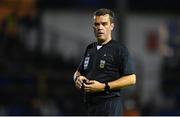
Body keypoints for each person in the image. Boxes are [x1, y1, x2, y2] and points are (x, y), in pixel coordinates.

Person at [73, 8, 136, 116]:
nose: (100, 28)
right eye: (97, 24)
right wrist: (77, 79)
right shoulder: (90, 48)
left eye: (104, 24)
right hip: (90, 106)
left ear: (111, 26)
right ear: (93, 27)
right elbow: (78, 72)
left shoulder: (119, 49)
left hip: (109, 106)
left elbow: (131, 79)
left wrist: (104, 86)